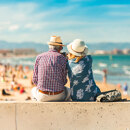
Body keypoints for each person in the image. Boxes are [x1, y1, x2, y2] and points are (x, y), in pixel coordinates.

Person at [31, 36, 70, 102]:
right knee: (68, 90)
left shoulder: (39, 57)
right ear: (60, 48)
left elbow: (35, 80)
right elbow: (64, 81)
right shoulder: (63, 58)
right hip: (59, 96)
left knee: (33, 90)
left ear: (49, 46)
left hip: (42, 96)